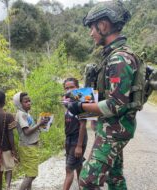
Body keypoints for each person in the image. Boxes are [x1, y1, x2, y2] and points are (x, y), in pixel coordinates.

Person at [67, 1, 139, 189]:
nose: (91, 33)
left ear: (104, 25)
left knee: (87, 181)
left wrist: (80, 106)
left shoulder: (119, 58)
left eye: (92, 27)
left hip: (114, 130)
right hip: (112, 127)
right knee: (114, 179)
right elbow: (105, 93)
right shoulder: (112, 55)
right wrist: (76, 99)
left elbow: (116, 104)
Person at [13, 92, 48, 190]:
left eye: (29, 101)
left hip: (30, 146)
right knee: (31, 175)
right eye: (26, 101)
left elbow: (31, 128)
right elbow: (27, 132)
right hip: (27, 147)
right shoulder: (21, 115)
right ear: (20, 104)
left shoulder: (26, 114)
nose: (29, 103)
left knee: (29, 173)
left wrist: (41, 125)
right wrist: (39, 124)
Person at [62, 78, 88, 190]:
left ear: (78, 88)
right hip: (69, 139)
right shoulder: (67, 102)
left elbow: (83, 124)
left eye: (72, 87)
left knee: (69, 169)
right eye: (66, 88)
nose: (69, 90)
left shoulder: (81, 102)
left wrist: (78, 146)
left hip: (77, 139)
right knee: (78, 167)